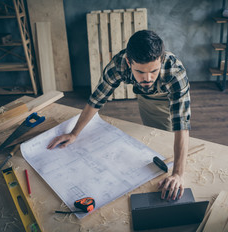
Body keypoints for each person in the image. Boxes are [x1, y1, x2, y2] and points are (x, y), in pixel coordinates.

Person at [47, 30, 191, 200]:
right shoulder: (118, 65)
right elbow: (97, 99)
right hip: (145, 97)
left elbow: (182, 123)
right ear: (129, 62)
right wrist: (74, 133)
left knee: (168, 134)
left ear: (161, 59)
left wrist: (178, 174)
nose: (148, 78)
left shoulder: (175, 73)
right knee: (154, 138)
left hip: (168, 96)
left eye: (153, 71)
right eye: (140, 72)